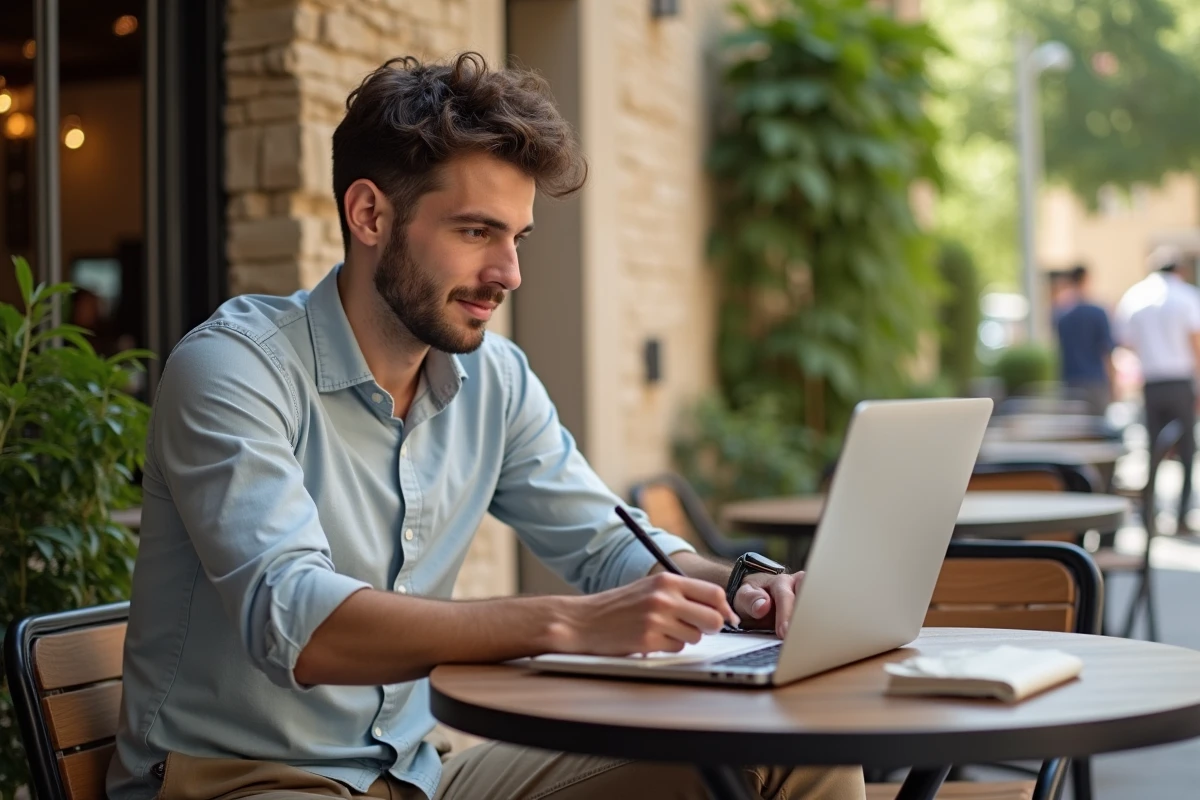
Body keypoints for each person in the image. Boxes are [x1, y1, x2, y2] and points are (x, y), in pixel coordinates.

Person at [106, 53, 865, 800]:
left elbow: (607, 544)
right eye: (476, 232)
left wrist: (741, 586)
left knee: (794, 749)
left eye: (517, 238)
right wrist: (569, 626)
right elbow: (299, 622)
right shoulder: (234, 371)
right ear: (369, 214)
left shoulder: (494, 379)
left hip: (419, 775)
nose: (510, 273)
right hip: (242, 780)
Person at [1115, 245, 1200, 532]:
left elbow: (1125, 342)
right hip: (1180, 381)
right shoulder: (1187, 296)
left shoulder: (1135, 296)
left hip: (1151, 383)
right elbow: (1196, 343)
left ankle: (1149, 514)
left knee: (1153, 450)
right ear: (1180, 269)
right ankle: (1180, 517)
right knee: (1186, 451)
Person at [1054, 264, 1116, 416]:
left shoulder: (1061, 315)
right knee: (1098, 430)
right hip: (1095, 381)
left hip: (1070, 381)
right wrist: (1113, 384)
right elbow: (1106, 351)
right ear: (1086, 279)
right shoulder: (1098, 313)